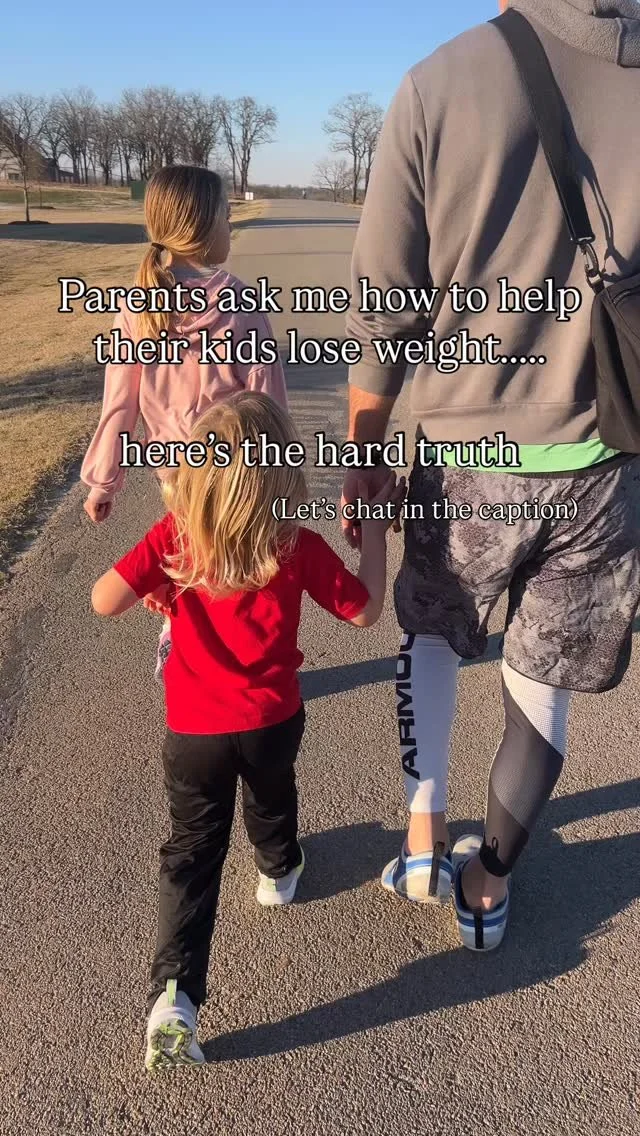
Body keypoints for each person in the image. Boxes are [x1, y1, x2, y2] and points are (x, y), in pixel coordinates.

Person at [343, 0, 640, 951]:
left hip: (466, 456)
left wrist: (365, 449)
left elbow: (384, 304)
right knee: (541, 684)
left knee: (433, 633)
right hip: (602, 458)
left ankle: (421, 843)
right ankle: (487, 888)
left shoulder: (441, 79)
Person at [91, 392, 402, 1071]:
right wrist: (376, 529)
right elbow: (367, 611)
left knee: (192, 852)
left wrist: (156, 584)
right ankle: (277, 869)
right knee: (270, 793)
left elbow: (103, 599)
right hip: (271, 720)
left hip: (193, 734)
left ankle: (174, 998)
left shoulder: (175, 540)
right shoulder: (296, 546)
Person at [81, 163, 288, 675]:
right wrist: (281, 475)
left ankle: (182, 636)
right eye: (225, 215)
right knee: (236, 560)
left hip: (176, 476)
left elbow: (120, 404)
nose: (231, 226)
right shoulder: (241, 304)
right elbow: (268, 404)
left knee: (189, 554)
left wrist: (104, 481)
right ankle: (235, 652)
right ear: (203, 225)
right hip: (237, 474)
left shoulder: (136, 307)